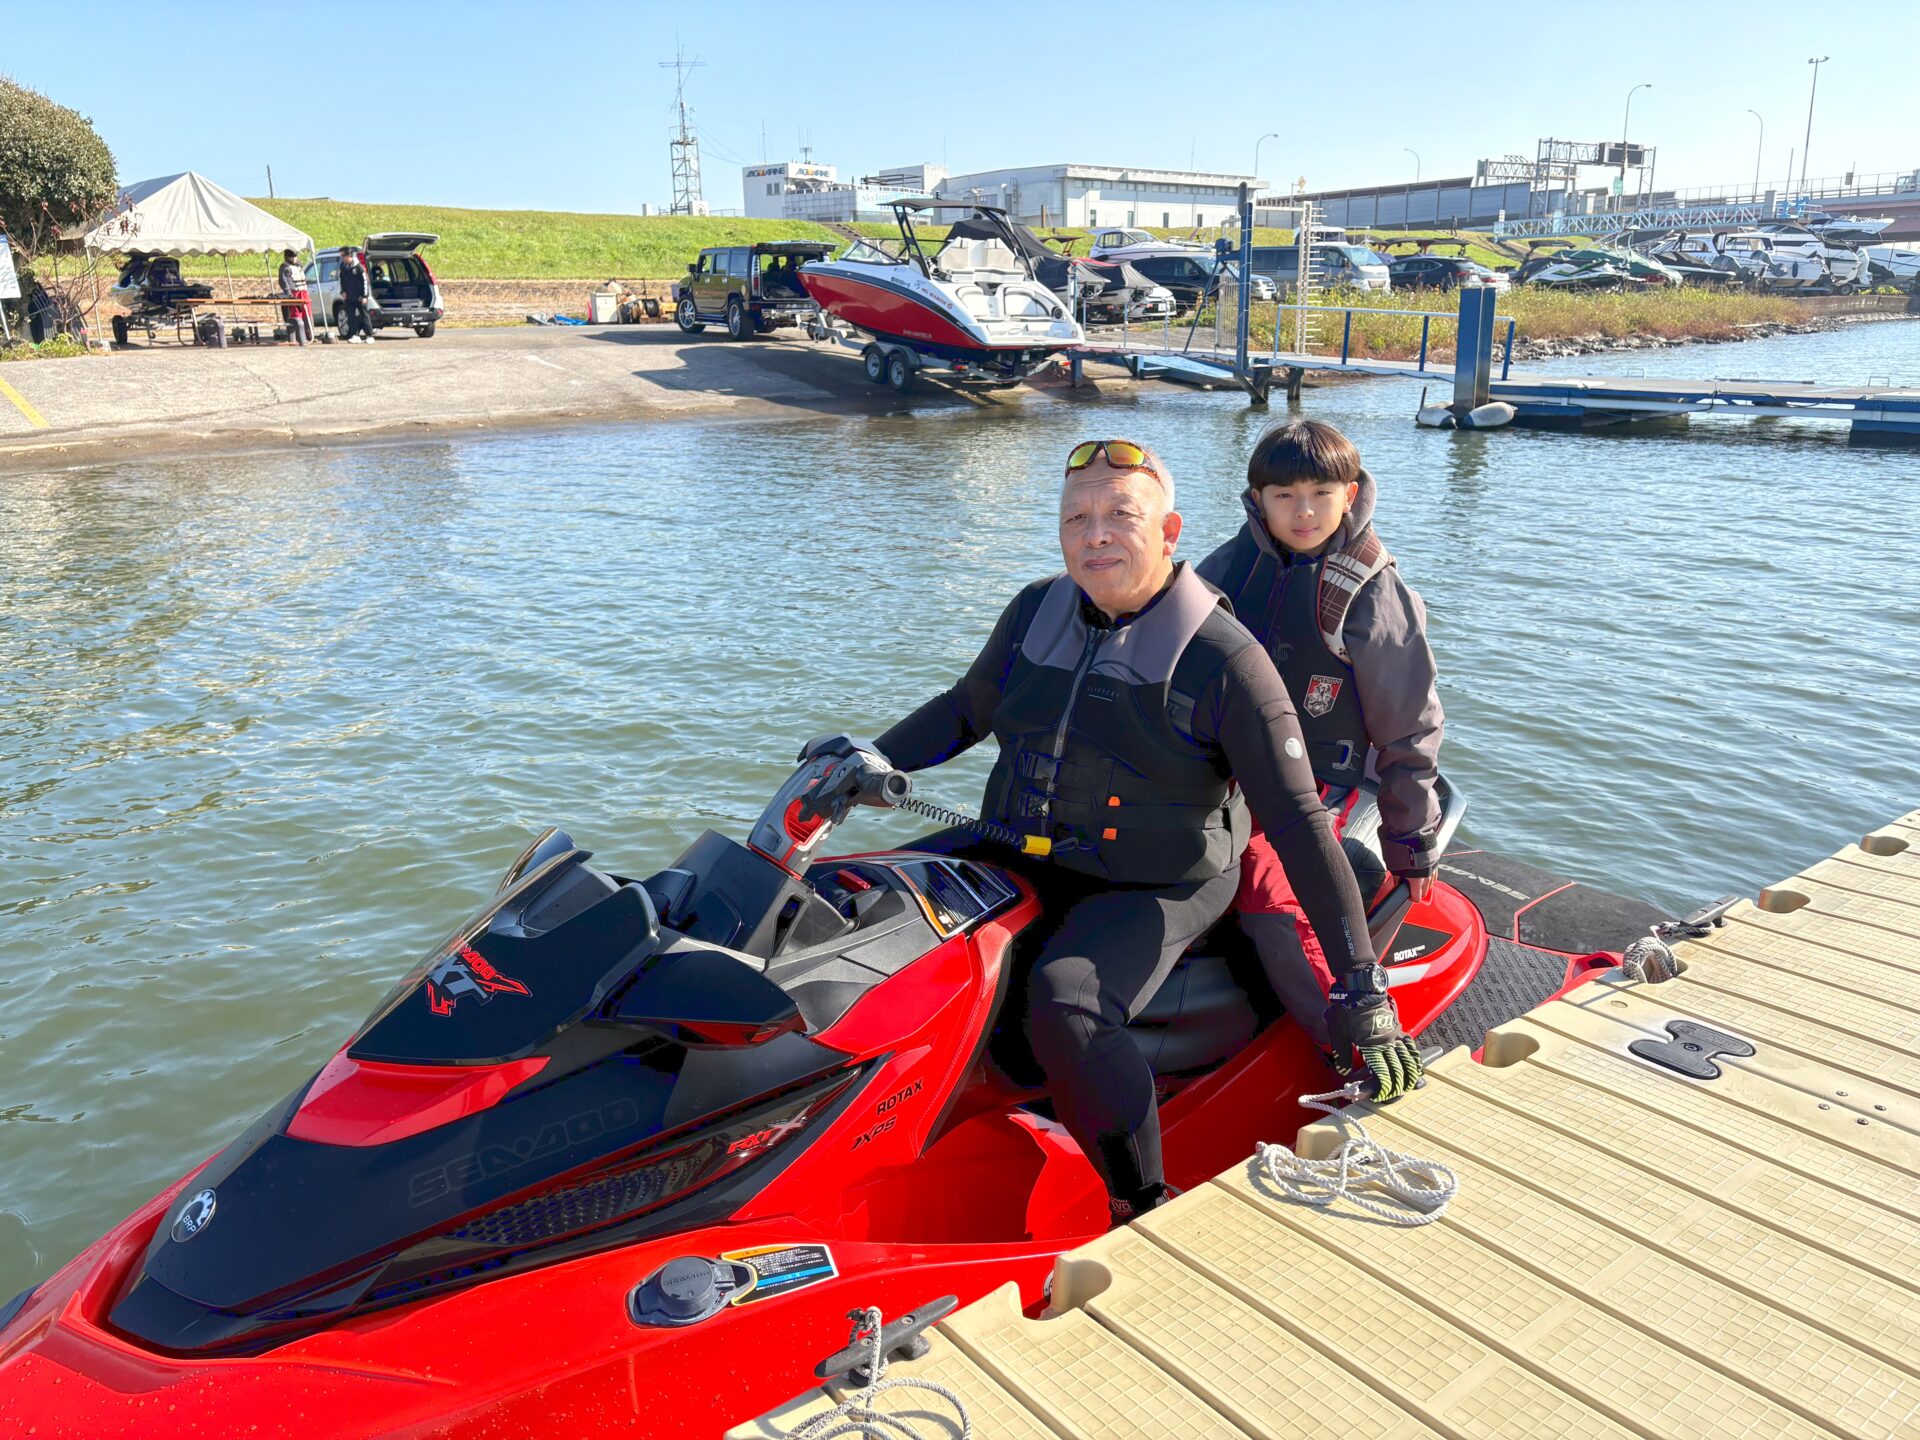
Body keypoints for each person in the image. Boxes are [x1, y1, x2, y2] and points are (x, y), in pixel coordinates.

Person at [856, 438, 1421, 1226]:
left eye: (1120, 515)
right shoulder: (1034, 611)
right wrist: (867, 760)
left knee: (1068, 1004)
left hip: (1161, 878)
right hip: (1023, 848)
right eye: (1076, 518)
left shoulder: (1225, 657)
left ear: (1169, 531)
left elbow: (1297, 823)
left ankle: (1140, 1202)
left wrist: (1362, 986)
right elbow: (963, 710)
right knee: (859, 898)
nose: (1095, 534)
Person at [1197, 419, 1444, 1056]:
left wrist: (1411, 843)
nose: (1303, 512)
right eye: (1284, 495)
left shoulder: (1369, 591)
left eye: (1320, 494)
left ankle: (1359, 1046)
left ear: (1350, 494)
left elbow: (1410, 725)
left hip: (1318, 784)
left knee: (1268, 896)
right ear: (1257, 499)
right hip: (1227, 770)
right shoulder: (1228, 568)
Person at [338, 248, 375, 343]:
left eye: (343, 256)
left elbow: (365, 282)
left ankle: (369, 335)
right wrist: (343, 291)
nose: (342, 258)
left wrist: (365, 296)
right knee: (350, 316)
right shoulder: (343, 267)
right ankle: (355, 335)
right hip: (349, 297)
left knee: (364, 315)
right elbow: (342, 280)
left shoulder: (359, 267)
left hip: (360, 297)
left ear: (349, 255)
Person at [277, 248, 311, 346]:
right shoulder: (285, 267)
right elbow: (283, 281)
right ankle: (298, 336)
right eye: (292, 257)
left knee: (307, 314)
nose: (294, 259)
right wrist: (289, 294)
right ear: (287, 257)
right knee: (296, 314)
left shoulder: (299, 266)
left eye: (295, 257)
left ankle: (309, 334)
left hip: (303, 292)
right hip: (294, 293)